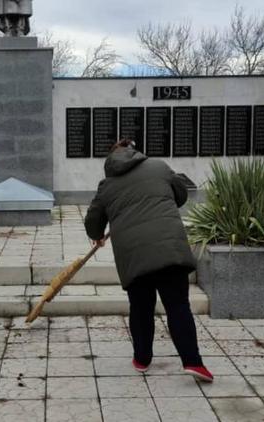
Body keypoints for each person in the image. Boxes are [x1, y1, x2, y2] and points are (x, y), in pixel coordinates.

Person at [84, 139, 214, 382]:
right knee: (178, 305)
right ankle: (193, 362)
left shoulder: (107, 185)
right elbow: (181, 193)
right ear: (134, 152)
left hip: (134, 256)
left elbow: (92, 221)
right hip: (170, 249)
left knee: (141, 308)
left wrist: (97, 236)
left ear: (110, 160)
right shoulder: (158, 166)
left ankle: (142, 359)